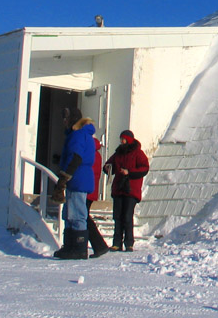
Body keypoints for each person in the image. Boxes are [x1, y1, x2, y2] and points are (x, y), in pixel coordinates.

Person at [51, 108, 96, 260]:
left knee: (77, 213)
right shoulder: (80, 134)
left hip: (78, 178)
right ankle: (70, 246)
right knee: (69, 213)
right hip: (77, 177)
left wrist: (65, 176)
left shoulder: (78, 135)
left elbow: (76, 157)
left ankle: (79, 247)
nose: (64, 121)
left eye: (66, 118)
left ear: (73, 120)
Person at [104, 130, 149, 252]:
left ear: (129, 140)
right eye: (121, 139)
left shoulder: (138, 153)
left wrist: (130, 173)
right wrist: (108, 167)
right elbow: (108, 164)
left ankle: (129, 243)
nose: (121, 141)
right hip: (119, 188)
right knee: (117, 216)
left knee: (127, 216)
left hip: (131, 189)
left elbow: (145, 168)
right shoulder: (118, 153)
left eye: (123, 139)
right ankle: (116, 243)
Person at [85, 136, 109, 258]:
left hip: (86, 190)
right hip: (92, 191)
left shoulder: (90, 154)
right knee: (84, 216)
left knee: (83, 217)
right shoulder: (97, 154)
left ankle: (99, 245)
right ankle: (97, 245)